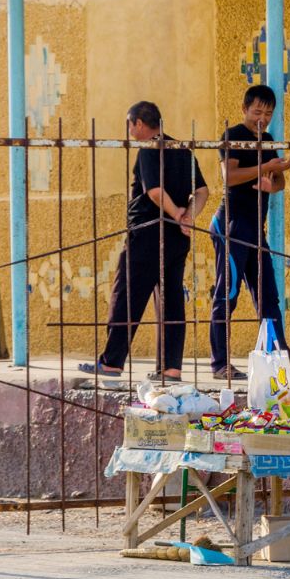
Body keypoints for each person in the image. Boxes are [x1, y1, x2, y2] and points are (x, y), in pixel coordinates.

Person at [80, 101, 207, 382]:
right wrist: (189, 217)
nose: (129, 130)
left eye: (130, 124)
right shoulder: (182, 149)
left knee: (126, 296)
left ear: (138, 123)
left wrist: (176, 215)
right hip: (176, 240)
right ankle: (170, 368)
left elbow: (154, 191)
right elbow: (202, 190)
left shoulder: (150, 147)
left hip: (148, 234)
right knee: (171, 300)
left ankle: (111, 362)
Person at [210, 85, 290, 381]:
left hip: (255, 227)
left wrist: (270, 181)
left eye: (268, 113)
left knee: (268, 296)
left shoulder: (269, 139)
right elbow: (229, 176)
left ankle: (280, 356)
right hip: (232, 225)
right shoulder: (233, 135)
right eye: (257, 112)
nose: (262, 118)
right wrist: (265, 166)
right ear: (244, 109)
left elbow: (280, 183)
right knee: (227, 294)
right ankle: (220, 363)